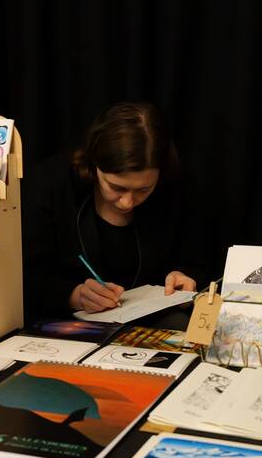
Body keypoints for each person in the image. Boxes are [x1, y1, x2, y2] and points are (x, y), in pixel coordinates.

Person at [23, 102, 212, 319]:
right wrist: (74, 296)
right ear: (94, 165)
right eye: (116, 187)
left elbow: (197, 262)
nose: (127, 203)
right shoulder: (51, 186)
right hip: (64, 324)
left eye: (143, 189)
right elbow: (25, 277)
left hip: (155, 321)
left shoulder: (177, 189)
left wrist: (185, 278)